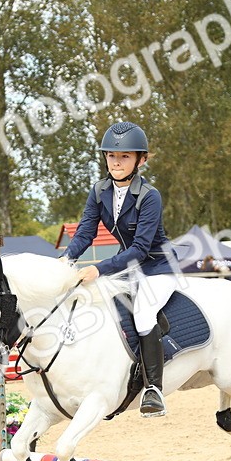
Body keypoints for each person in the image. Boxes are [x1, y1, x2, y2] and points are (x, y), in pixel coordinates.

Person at [63, 121, 175, 418]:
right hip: (127, 267)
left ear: (142, 159)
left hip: (157, 268)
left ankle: (153, 389)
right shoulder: (99, 191)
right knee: (96, 304)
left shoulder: (149, 196)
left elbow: (139, 248)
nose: (116, 162)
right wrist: (64, 261)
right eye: (111, 156)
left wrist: (98, 269)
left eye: (124, 156)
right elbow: (85, 233)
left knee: (143, 313)